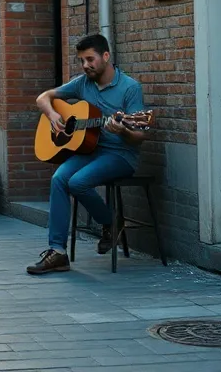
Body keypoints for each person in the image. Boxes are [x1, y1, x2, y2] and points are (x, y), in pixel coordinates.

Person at [27, 33, 146, 275]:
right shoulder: (82, 83)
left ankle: (110, 222)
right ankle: (58, 252)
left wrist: (123, 130)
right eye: (81, 60)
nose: (85, 65)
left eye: (90, 59)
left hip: (120, 155)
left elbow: (139, 135)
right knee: (59, 179)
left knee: (77, 182)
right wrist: (52, 115)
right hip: (91, 150)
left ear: (106, 56)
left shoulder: (130, 88)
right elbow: (43, 98)